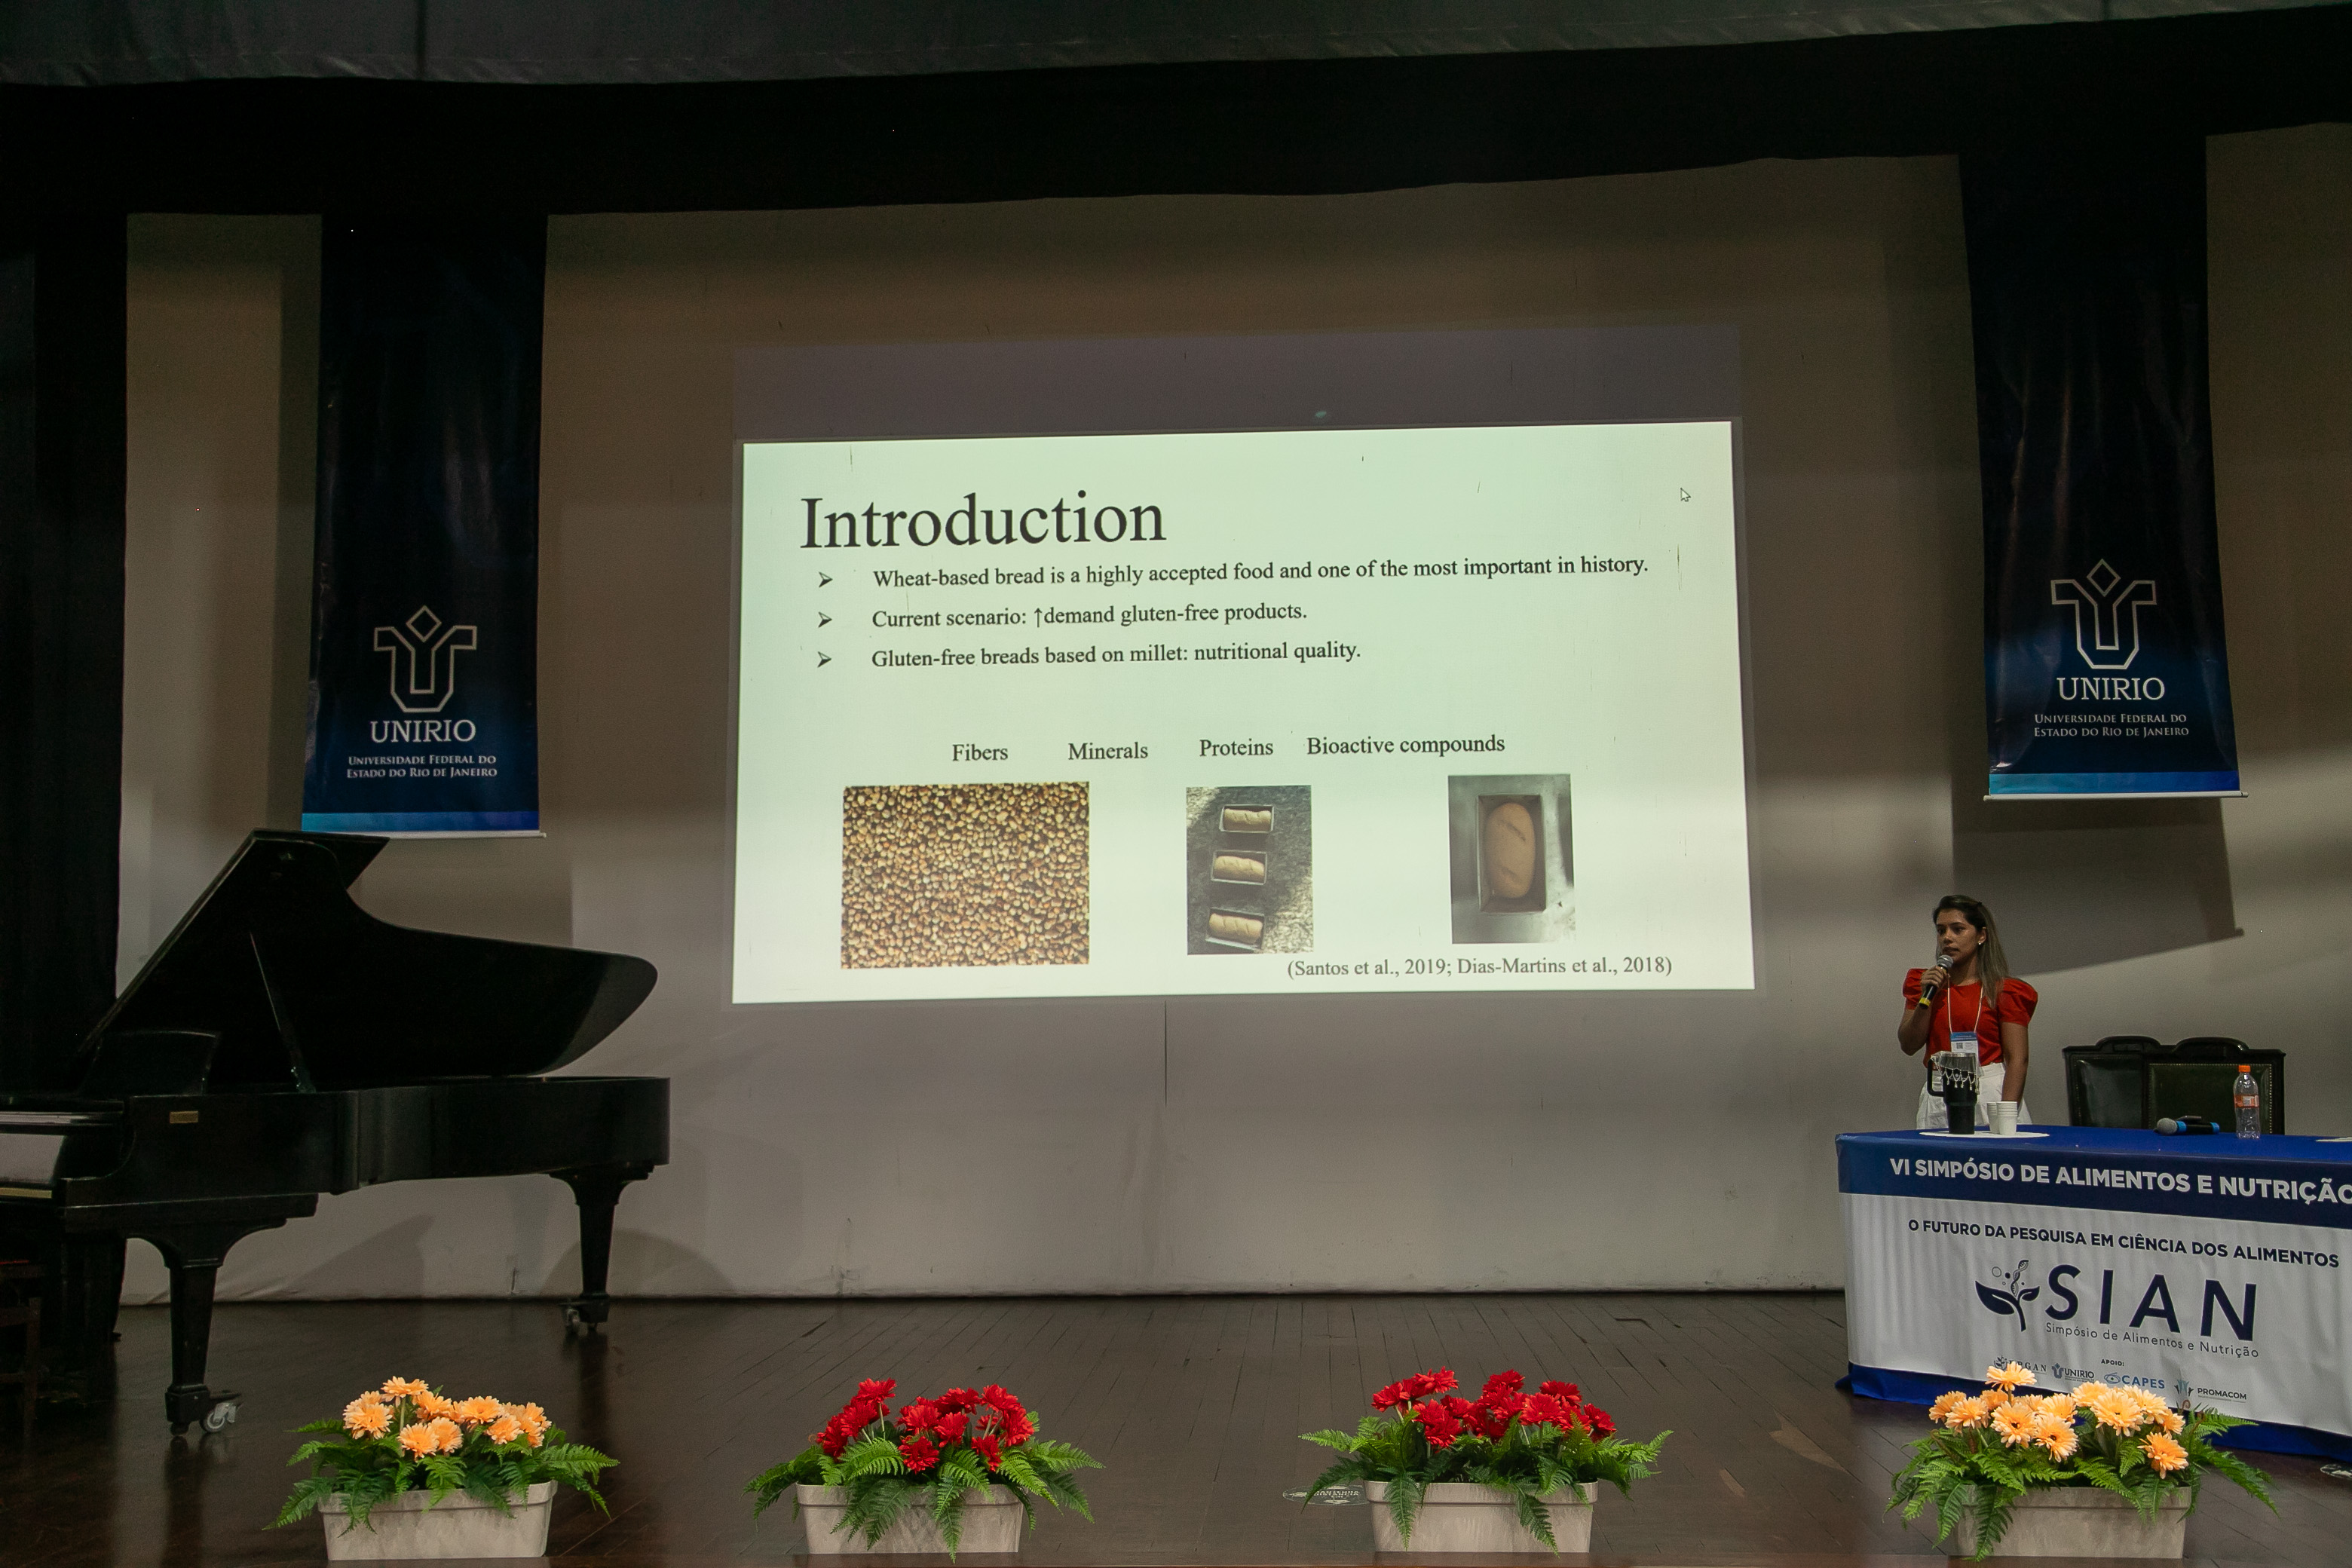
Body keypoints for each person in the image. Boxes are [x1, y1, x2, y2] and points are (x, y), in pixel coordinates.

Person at [1898, 894, 2035, 1129]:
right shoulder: (1924, 983)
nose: (1947, 937)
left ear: (1981, 935)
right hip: (1940, 1089)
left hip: (1989, 1088)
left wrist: (2006, 1116)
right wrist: (1926, 998)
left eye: (1958, 929)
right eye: (1941, 930)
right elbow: (1909, 1045)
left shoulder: (2003, 990)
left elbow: (2017, 1059)